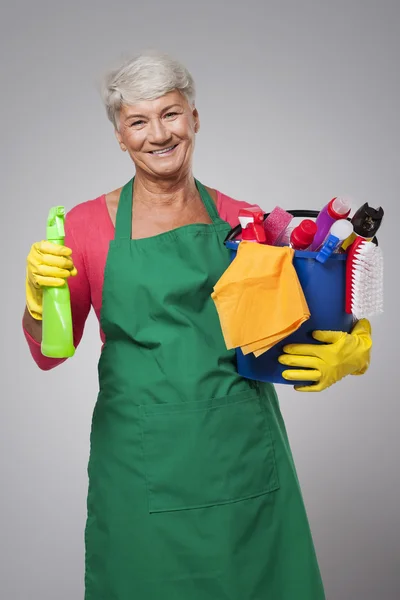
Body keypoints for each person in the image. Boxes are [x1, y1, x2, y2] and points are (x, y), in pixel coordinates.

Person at [22, 51, 372, 599]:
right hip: (139, 466)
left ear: (195, 119)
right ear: (120, 135)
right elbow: (49, 353)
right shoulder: (85, 226)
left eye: (171, 114)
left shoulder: (247, 222)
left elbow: (312, 313)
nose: (158, 134)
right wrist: (39, 305)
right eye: (138, 120)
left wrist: (352, 348)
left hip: (242, 459)